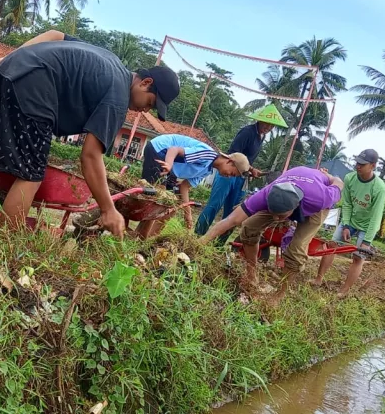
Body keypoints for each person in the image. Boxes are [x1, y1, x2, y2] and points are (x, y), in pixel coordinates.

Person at [0, 30, 180, 236]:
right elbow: (90, 157)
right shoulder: (117, 95)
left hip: (11, 70)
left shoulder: (107, 60)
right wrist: (108, 209)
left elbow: (55, 35)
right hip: (36, 87)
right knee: (30, 175)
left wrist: (9, 58)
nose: (145, 111)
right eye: (151, 103)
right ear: (145, 82)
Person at [201, 166, 343, 297]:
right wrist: (200, 243)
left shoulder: (321, 198)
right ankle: (252, 275)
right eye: (273, 213)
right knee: (249, 227)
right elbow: (231, 219)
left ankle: (278, 297)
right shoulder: (266, 194)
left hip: (315, 208)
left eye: (280, 216)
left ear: (296, 206)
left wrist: (329, 176)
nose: (276, 219)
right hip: (290, 187)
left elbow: (338, 182)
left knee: (296, 249)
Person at [194, 104, 286, 244]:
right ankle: (196, 237)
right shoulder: (247, 132)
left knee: (234, 213)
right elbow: (235, 154)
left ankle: (218, 245)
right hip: (229, 172)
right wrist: (250, 169)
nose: (269, 127)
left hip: (242, 178)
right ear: (260, 120)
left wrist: (251, 169)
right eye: (267, 123)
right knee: (214, 205)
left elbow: (248, 159)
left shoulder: (260, 137)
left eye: (272, 126)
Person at [134, 133, 251, 237]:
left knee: (172, 207)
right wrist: (169, 165)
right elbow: (174, 150)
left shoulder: (207, 170)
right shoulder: (207, 155)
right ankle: (142, 236)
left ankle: (151, 237)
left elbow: (184, 187)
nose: (229, 176)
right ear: (229, 162)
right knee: (161, 199)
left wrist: (188, 215)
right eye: (232, 173)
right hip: (159, 150)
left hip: (170, 167)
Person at [312, 149, 385, 297]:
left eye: (363, 164)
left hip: (367, 226)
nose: (358, 166)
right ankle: (318, 279)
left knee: (358, 257)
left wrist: (366, 241)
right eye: (357, 163)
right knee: (331, 246)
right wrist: (346, 225)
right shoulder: (350, 178)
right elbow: (347, 203)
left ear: (373, 166)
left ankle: (344, 290)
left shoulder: (379, 188)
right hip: (351, 220)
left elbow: (376, 216)